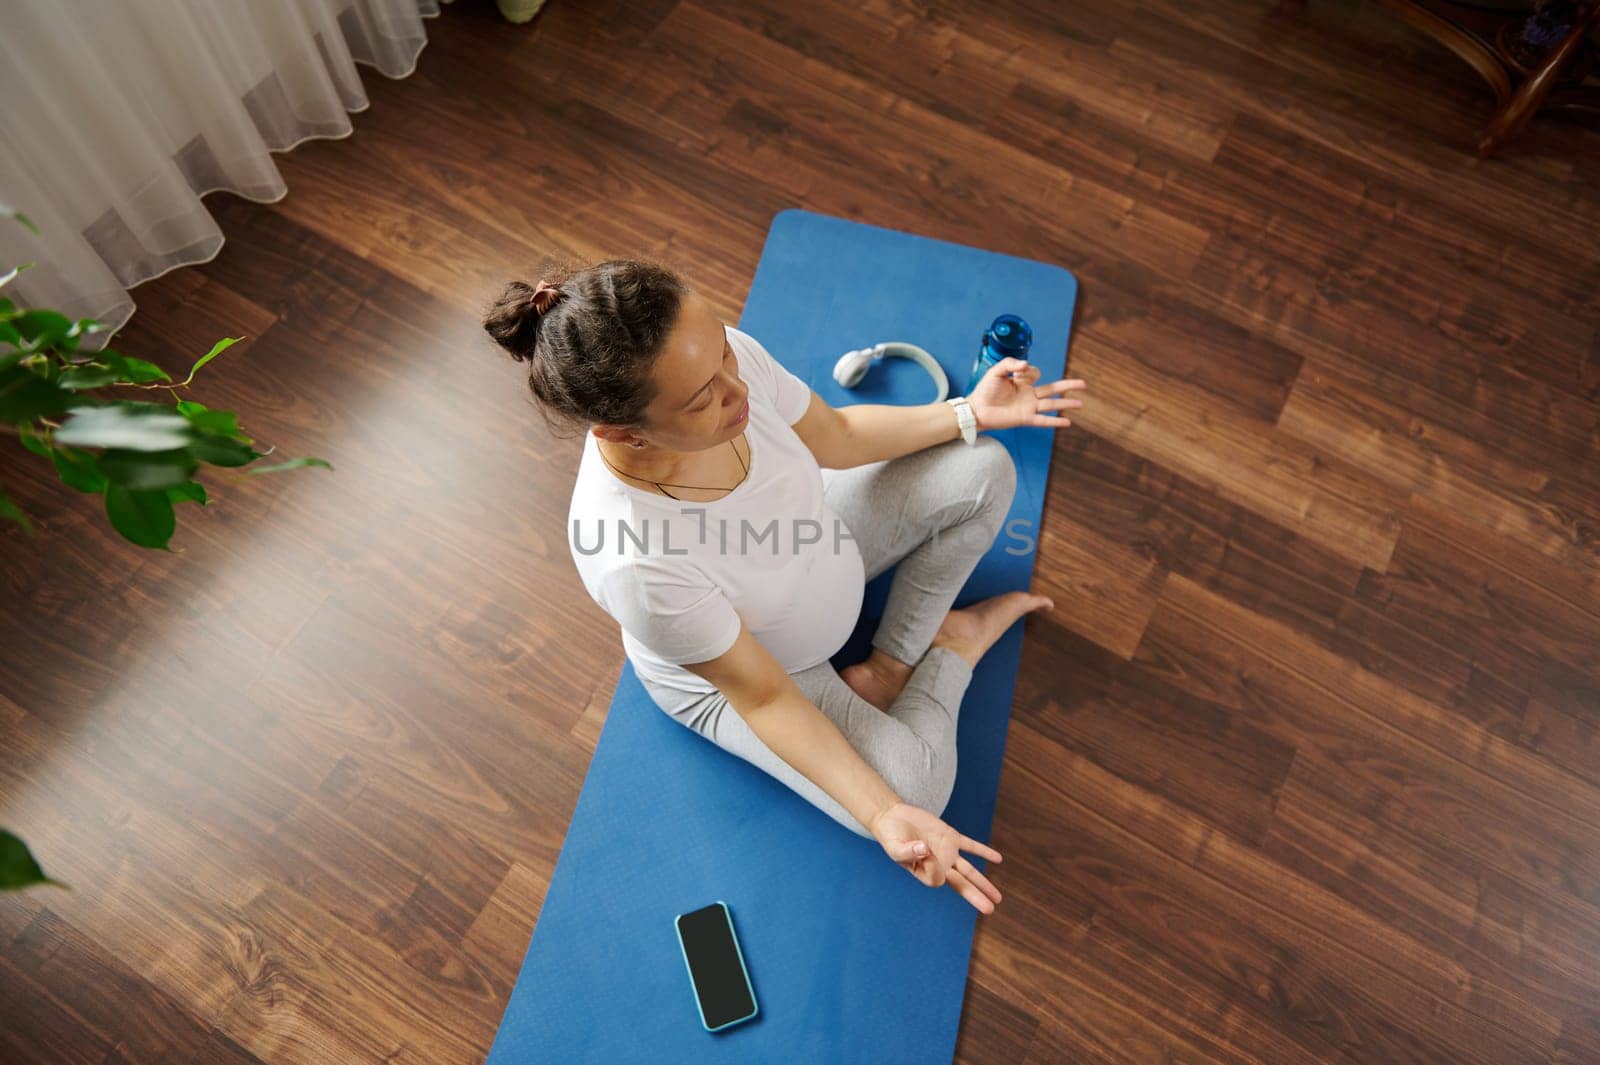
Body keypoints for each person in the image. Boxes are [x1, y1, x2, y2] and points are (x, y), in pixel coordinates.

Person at [482, 258, 1087, 915]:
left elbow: (840, 434)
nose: (735, 389)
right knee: (916, 791)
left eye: (723, 352)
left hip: (815, 538)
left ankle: (891, 663)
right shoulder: (636, 561)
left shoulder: (716, 361)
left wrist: (970, 410)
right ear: (623, 431)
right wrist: (885, 813)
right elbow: (766, 696)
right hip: (761, 670)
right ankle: (954, 646)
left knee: (984, 467)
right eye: (701, 399)